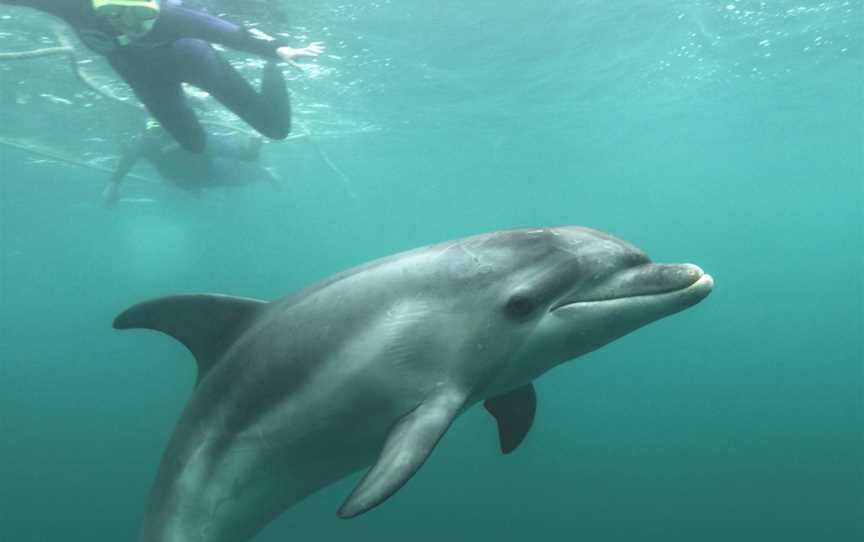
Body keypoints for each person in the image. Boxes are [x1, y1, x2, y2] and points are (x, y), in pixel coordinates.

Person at [1, 0, 324, 153]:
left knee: (275, 129)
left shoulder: (172, 18)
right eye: (117, 13)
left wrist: (279, 52)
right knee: (193, 145)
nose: (129, 23)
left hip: (194, 62)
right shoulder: (73, 7)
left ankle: (271, 74)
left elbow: (231, 34)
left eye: (142, 16)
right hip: (145, 80)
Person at [102, 119, 282, 206]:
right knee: (234, 177)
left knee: (241, 176)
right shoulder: (147, 141)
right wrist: (113, 185)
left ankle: (264, 173)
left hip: (214, 176)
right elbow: (128, 158)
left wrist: (254, 147)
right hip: (188, 182)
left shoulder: (200, 138)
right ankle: (262, 173)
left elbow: (243, 155)